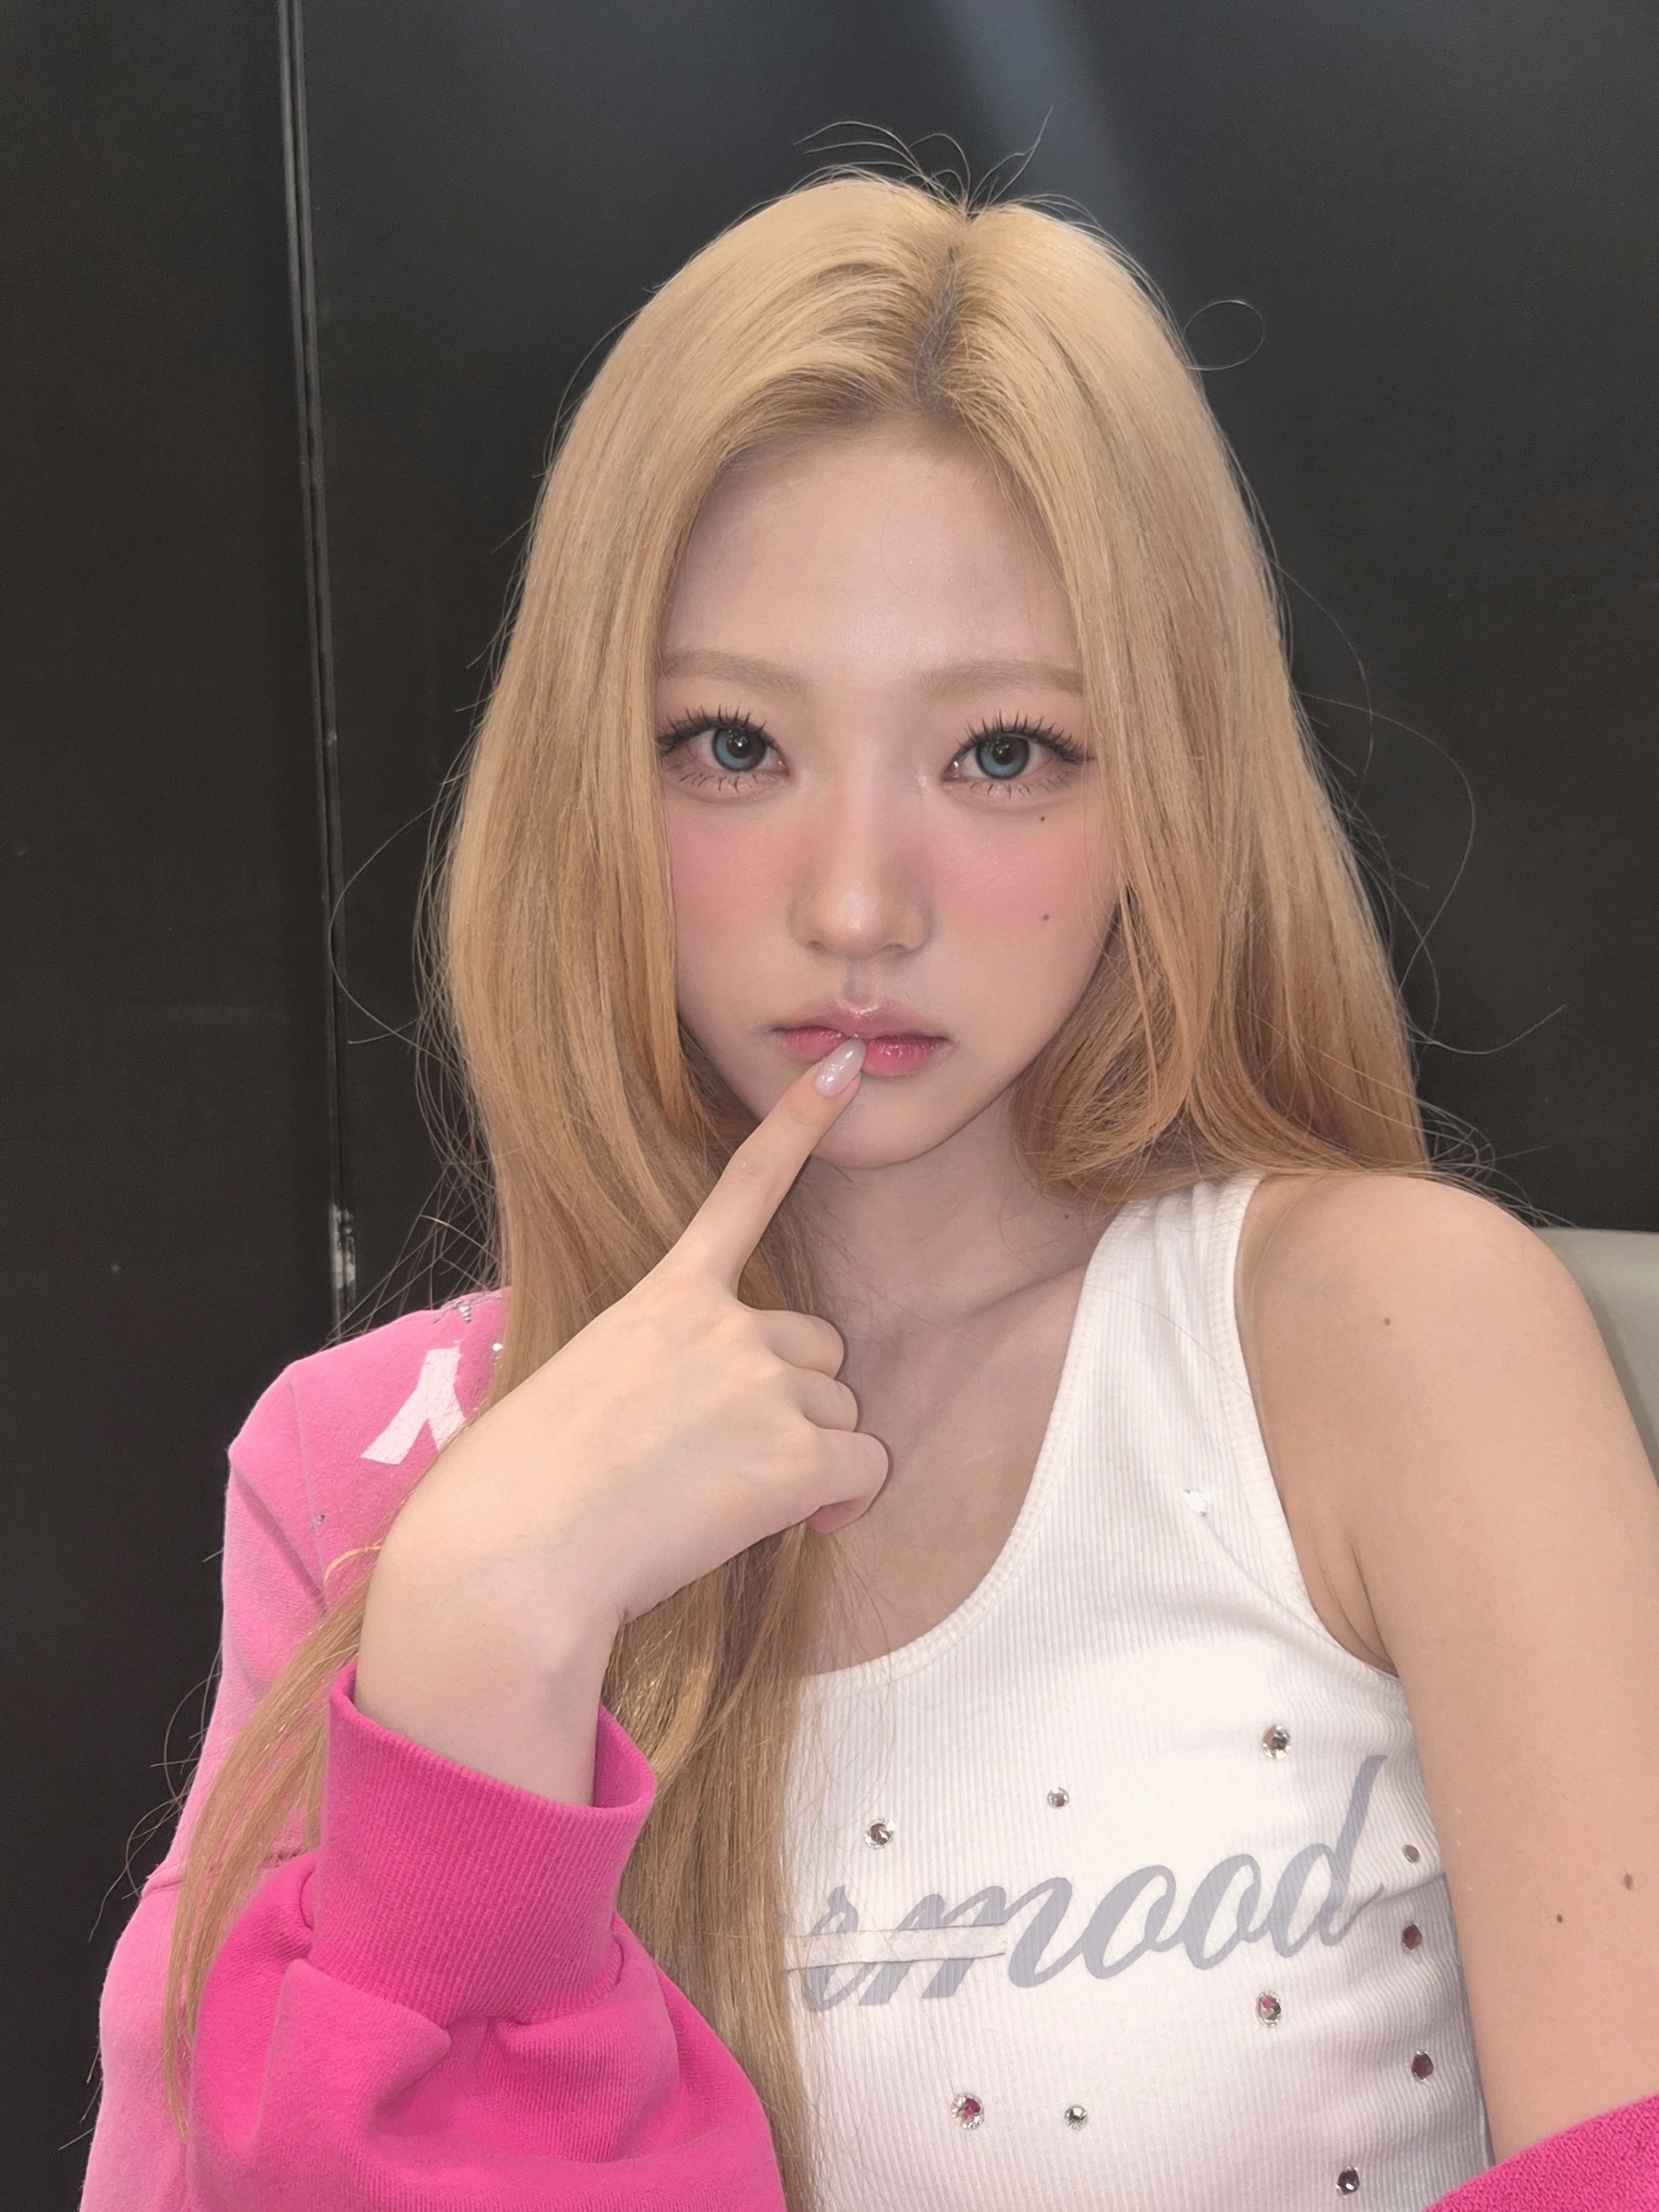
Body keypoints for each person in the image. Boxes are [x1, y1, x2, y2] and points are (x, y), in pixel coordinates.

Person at [83, 174, 1659, 2212]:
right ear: (586, 775)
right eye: (732, 743)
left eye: (1002, 752)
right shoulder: (367, 1472)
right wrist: (474, 1652)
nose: (855, 906)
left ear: (1170, 785)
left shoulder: (1389, 1342)